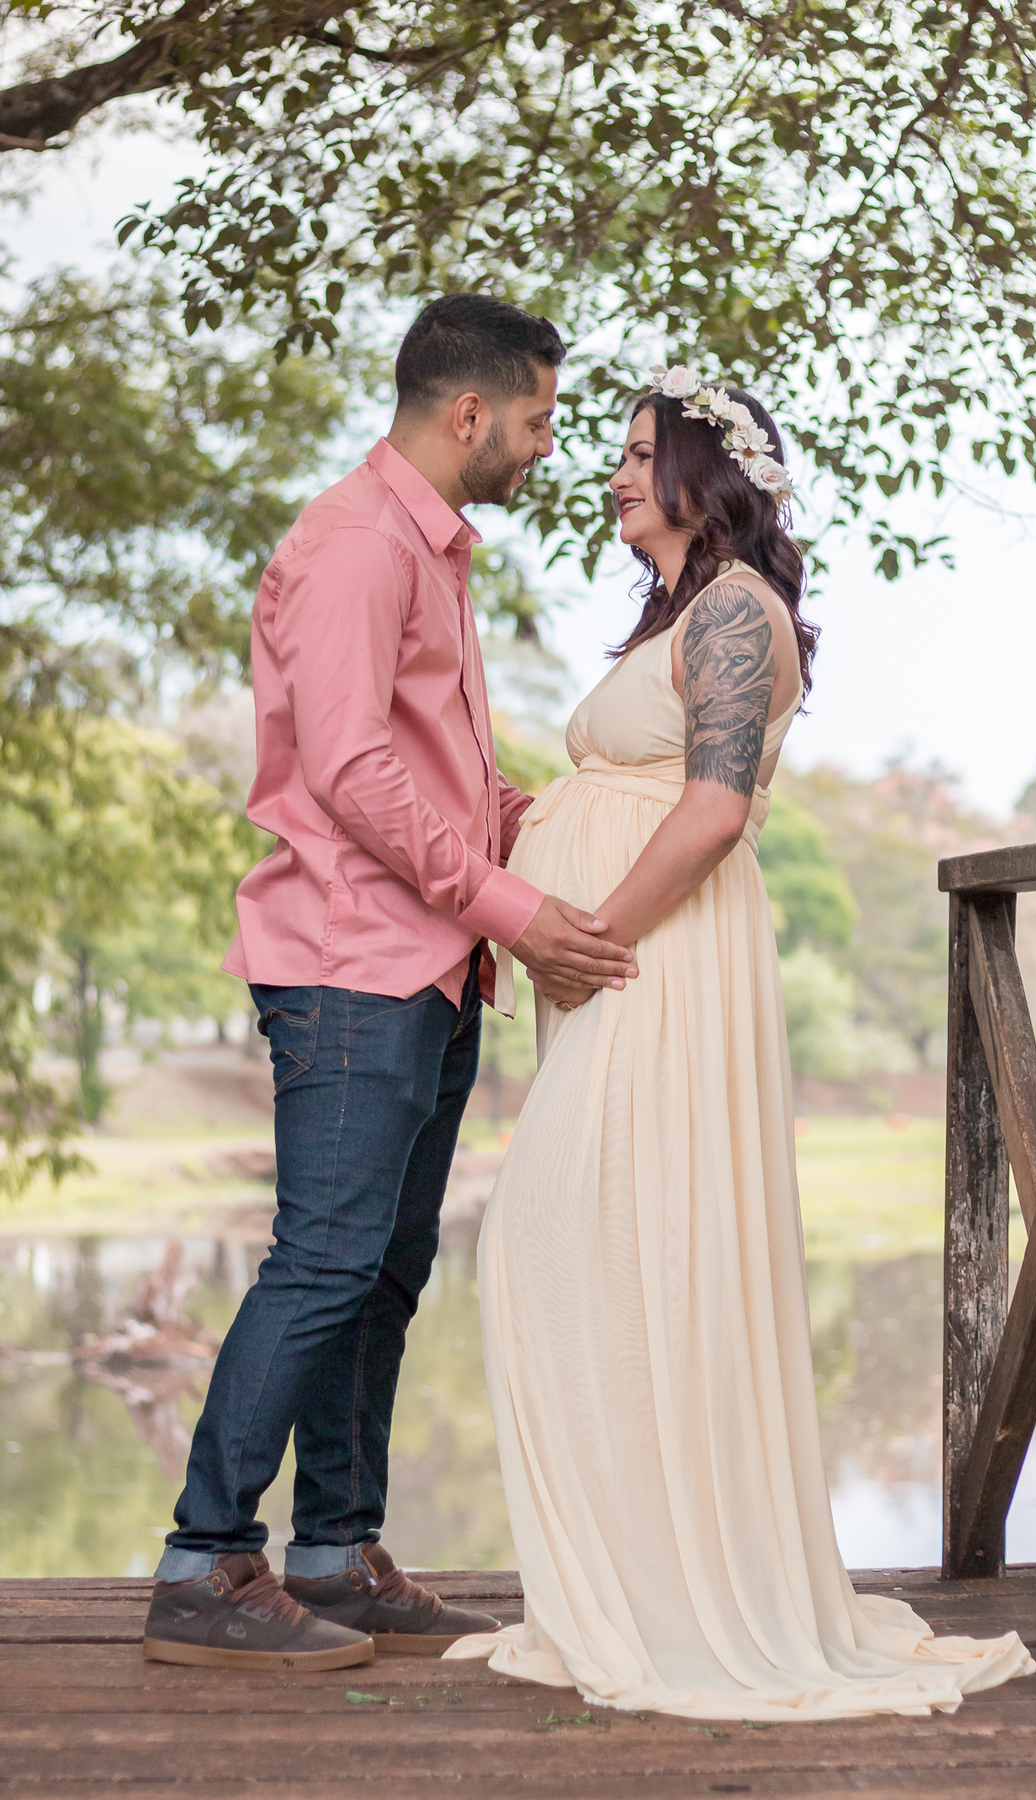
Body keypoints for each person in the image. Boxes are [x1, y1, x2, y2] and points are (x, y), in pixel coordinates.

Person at [445, 366, 1036, 1720]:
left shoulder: (731, 613)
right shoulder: (676, 614)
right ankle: (632, 1582)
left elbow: (711, 810)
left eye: (640, 452)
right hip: (629, 962)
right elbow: (642, 783)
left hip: (658, 963)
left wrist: (584, 935)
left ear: (706, 474)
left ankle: (671, 1592)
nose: (611, 473)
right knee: (602, 1252)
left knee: (561, 1242)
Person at [142, 294, 639, 1674]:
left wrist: (536, 822)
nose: (548, 447)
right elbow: (353, 774)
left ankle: (334, 1550)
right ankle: (203, 1562)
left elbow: (411, 760)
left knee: (382, 1275)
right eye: (539, 420)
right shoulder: (360, 545)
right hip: (356, 960)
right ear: (469, 413)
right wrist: (512, 907)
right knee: (325, 1261)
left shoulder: (432, 548)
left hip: (428, 959)